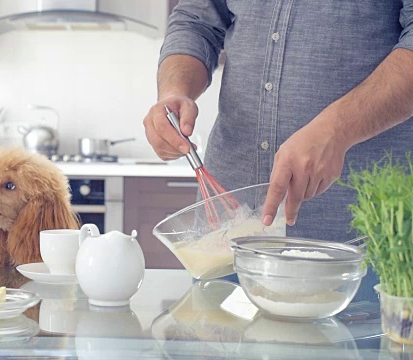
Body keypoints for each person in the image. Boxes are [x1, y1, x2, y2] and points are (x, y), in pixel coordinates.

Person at [143, 1, 413, 301]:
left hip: (356, 248)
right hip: (226, 245)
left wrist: (337, 130)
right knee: (220, 342)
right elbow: (195, 21)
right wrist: (174, 92)